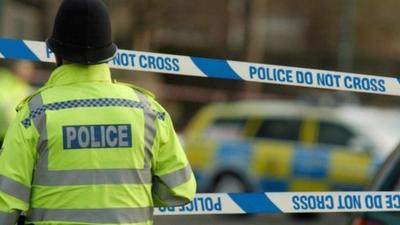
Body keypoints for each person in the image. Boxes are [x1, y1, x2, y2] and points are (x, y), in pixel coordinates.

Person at [0, 0, 196, 224]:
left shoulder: (34, 115)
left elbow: (5, 207)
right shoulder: (149, 112)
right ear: (109, 54)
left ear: (56, 54)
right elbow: (181, 189)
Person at [0, 61, 34, 146]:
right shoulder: (5, 81)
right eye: (26, 69)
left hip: (11, 136)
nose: (30, 73)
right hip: (9, 135)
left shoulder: (27, 89)